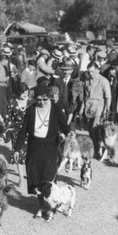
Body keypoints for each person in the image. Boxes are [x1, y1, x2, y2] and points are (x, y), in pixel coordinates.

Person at [13, 83, 71, 218]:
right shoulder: (31, 110)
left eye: (45, 99)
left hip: (50, 147)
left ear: (49, 97)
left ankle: (52, 206)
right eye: (39, 100)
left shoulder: (56, 109)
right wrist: (17, 149)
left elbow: (64, 126)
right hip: (34, 147)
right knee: (36, 178)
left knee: (49, 177)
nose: (42, 102)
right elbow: (23, 131)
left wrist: (71, 134)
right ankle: (40, 206)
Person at [5, 82, 32, 189]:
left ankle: (30, 175)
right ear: (17, 93)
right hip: (17, 132)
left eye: (27, 92)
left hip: (30, 131)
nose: (25, 95)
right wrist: (9, 128)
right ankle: (21, 177)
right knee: (18, 154)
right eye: (23, 93)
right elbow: (7, 117)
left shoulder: (30, 101)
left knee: (30, 154)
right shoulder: (12, 102)